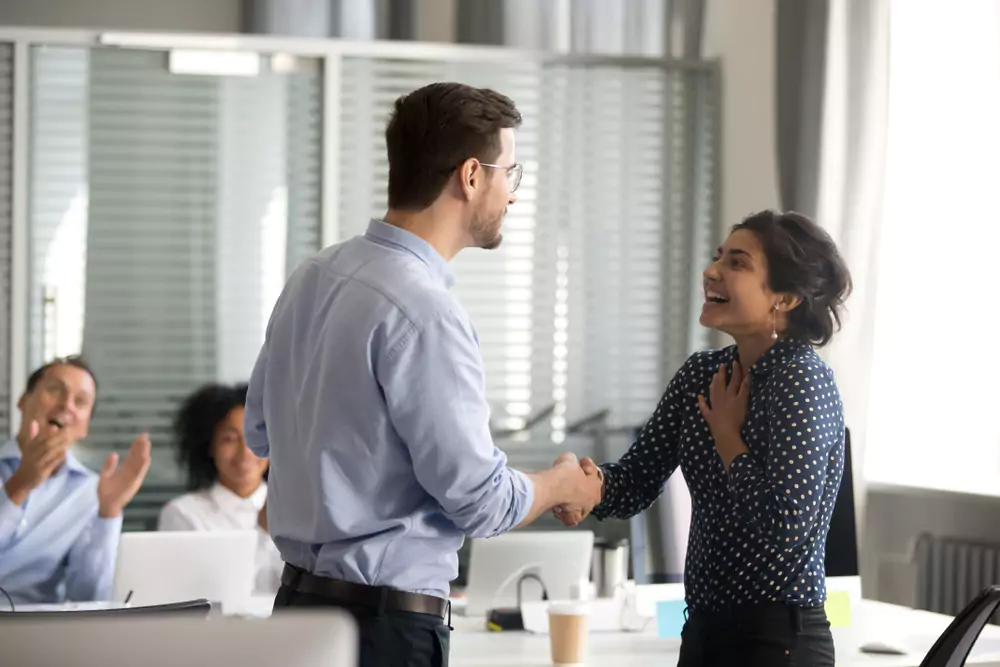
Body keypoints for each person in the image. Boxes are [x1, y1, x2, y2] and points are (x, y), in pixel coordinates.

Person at [245, 82, 601, 667]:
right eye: (510, 172)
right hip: (383, 631)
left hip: (296, 614)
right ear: (470, 176)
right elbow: (480, 503)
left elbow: (259, 433)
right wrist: (563, 483)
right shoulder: (426, 314)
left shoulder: (314, 275)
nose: (513, 193)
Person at [557, 210, 852, 667]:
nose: (710, 272)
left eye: (737, 263)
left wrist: (728, 439)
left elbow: (786, 527)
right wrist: (583, 486)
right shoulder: (702, 373)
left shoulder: (802, 380)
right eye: (718, 258)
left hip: (777, 641)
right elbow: (635, 480)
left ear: (785, 298)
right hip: (702, 632)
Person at [0, 356, 151, 604]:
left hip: (37, 630)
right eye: (54, 390)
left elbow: (90, 597)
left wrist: (109, 512)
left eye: (80, 402)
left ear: (85, 426)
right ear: (22, 401)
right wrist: (21, 484)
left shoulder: (90, 491)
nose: (66, 405)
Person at [158, 383, 282, 595]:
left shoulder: (297, 506)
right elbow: (206, 594)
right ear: (209, 446)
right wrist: (262, 532)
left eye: (256, 438)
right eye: (229, 439)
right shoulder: (184, 514)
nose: (246, 452)